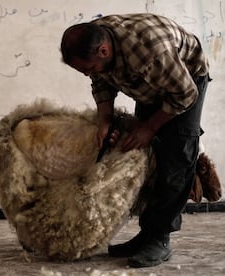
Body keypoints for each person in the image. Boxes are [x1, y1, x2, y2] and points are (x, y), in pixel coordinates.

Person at [60, 13, 210, 268]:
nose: (87, 74)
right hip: (151, 84)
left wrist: (150, 127)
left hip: (184, 83)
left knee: (176, 156)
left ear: (104, 50)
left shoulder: (150, 53)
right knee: (146, 158)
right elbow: (100, 79)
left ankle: (160, 238)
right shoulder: (97, 41)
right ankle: (146, 234)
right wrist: (105, 120)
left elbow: (185, 95)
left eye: (88, 68)